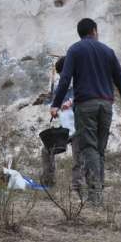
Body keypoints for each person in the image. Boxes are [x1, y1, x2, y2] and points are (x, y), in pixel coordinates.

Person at [50, 18, 121, 206]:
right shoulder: (108, 51)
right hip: (106, 105)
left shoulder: (75, 50)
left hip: (86, 105)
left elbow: (65, 79)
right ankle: (98, 194)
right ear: (94, 30)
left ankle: (95, 198)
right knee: (100, 149)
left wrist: (55, 104)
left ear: (80, 33)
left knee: (89, 148)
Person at [40, 56, 81, 189]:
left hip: (80, 127)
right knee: (46, 150)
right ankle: (48, 182)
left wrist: (71, 101)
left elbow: (85, 97)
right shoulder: (60, 87)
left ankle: (78, 186)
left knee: (78, 158)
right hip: (65, 128)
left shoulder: (81, 82)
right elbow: (54, 104)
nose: (62, 77)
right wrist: (54, 109)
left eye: (62, 74)